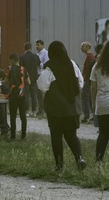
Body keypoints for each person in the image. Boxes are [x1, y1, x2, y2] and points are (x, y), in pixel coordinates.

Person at [37, 40, 85, 171]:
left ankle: (59, 165)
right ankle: (80, 158)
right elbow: (81, 83)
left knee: (56, 136)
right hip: (72, 108)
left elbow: (41, 85)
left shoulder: (50, 66)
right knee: (71, 135)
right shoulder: (73, 64)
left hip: (56, 109)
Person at [7, 52, 29, 140]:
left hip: (12, 95)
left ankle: (13, 135)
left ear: (12, 60)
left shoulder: (9, 69)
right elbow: (29, 82)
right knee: (23, 116)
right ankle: (23, 135)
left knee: (13, 116)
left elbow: (6, 81)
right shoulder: (23, 69)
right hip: (22, 95)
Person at [20, 42, 40, 117]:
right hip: (34, 78)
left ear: (24, 48)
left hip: (26, 78)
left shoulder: (22, 57)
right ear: (31, 48)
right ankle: (34, 111)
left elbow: (21, 68)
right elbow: (38, 66)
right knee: (34, 95)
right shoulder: (36, 57)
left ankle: (27, 111)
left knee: (26, 95)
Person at [79, 41, 95, 123]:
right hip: (88, 79)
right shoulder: (89, 56)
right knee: (89, 98)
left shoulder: (90, 57)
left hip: (88, 80)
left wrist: (86, 78)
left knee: (85, 98)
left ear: (87, 47)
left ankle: (86, 115)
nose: (81, 48)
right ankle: (92, 114)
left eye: (83, 46)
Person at [35, 40, 49, 116]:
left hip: (42, 74)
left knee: (42, 93)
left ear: (42, 45)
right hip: (37, 75)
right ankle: (40, 109)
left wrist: (39, 63)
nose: (37, 46)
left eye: (38, 45)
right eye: (36, 45)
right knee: (38, 94)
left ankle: (45, 109)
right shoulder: (37, 54)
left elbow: (46, 64)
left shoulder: (45, 53)